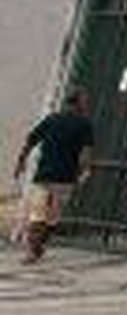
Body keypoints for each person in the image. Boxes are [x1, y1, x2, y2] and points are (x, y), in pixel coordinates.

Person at [12, 90, 97, 270]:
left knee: (38, 216)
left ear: (66, 103)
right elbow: (86, 152)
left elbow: (31, 140)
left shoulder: (51, 120)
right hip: (65, 179)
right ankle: (35, 248)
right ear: (79, 104)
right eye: (84, 102)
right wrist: (85, 171)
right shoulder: (85, 124)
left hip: (43, 176)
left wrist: (21, 162)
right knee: (51, 218)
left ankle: (33, 250)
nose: (85, 106)